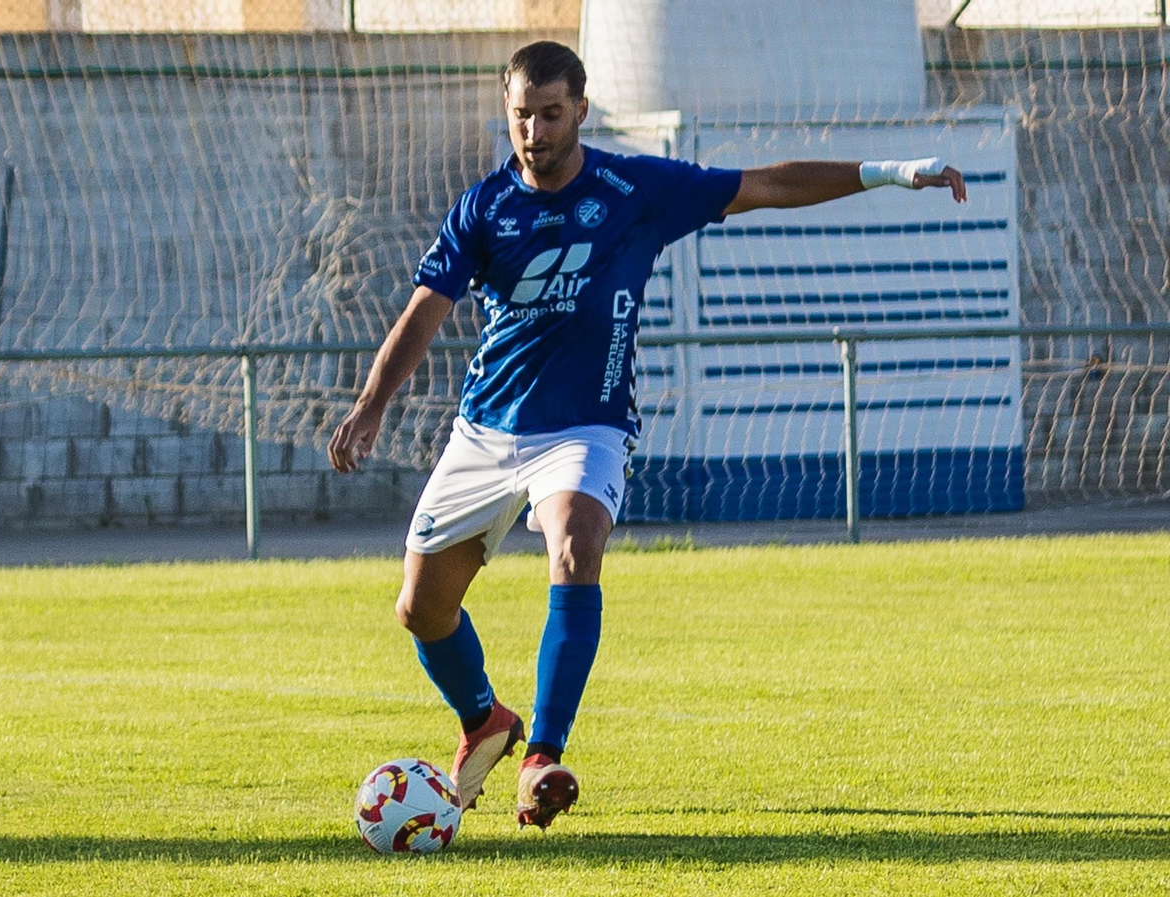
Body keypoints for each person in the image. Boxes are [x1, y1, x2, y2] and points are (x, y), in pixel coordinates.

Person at [327, 40, 967, 830]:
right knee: (421, 608)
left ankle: (541, 757)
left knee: (575, 542)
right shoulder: (484, 206)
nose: (533, 130)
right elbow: (427, 309)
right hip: (488, 429)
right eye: (521, 114)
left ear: (581, 111)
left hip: (587, 425)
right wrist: (370, 403)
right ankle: (485, 719)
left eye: (550, 113)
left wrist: (889, 172)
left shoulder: (637, 187)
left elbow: (765, 185)